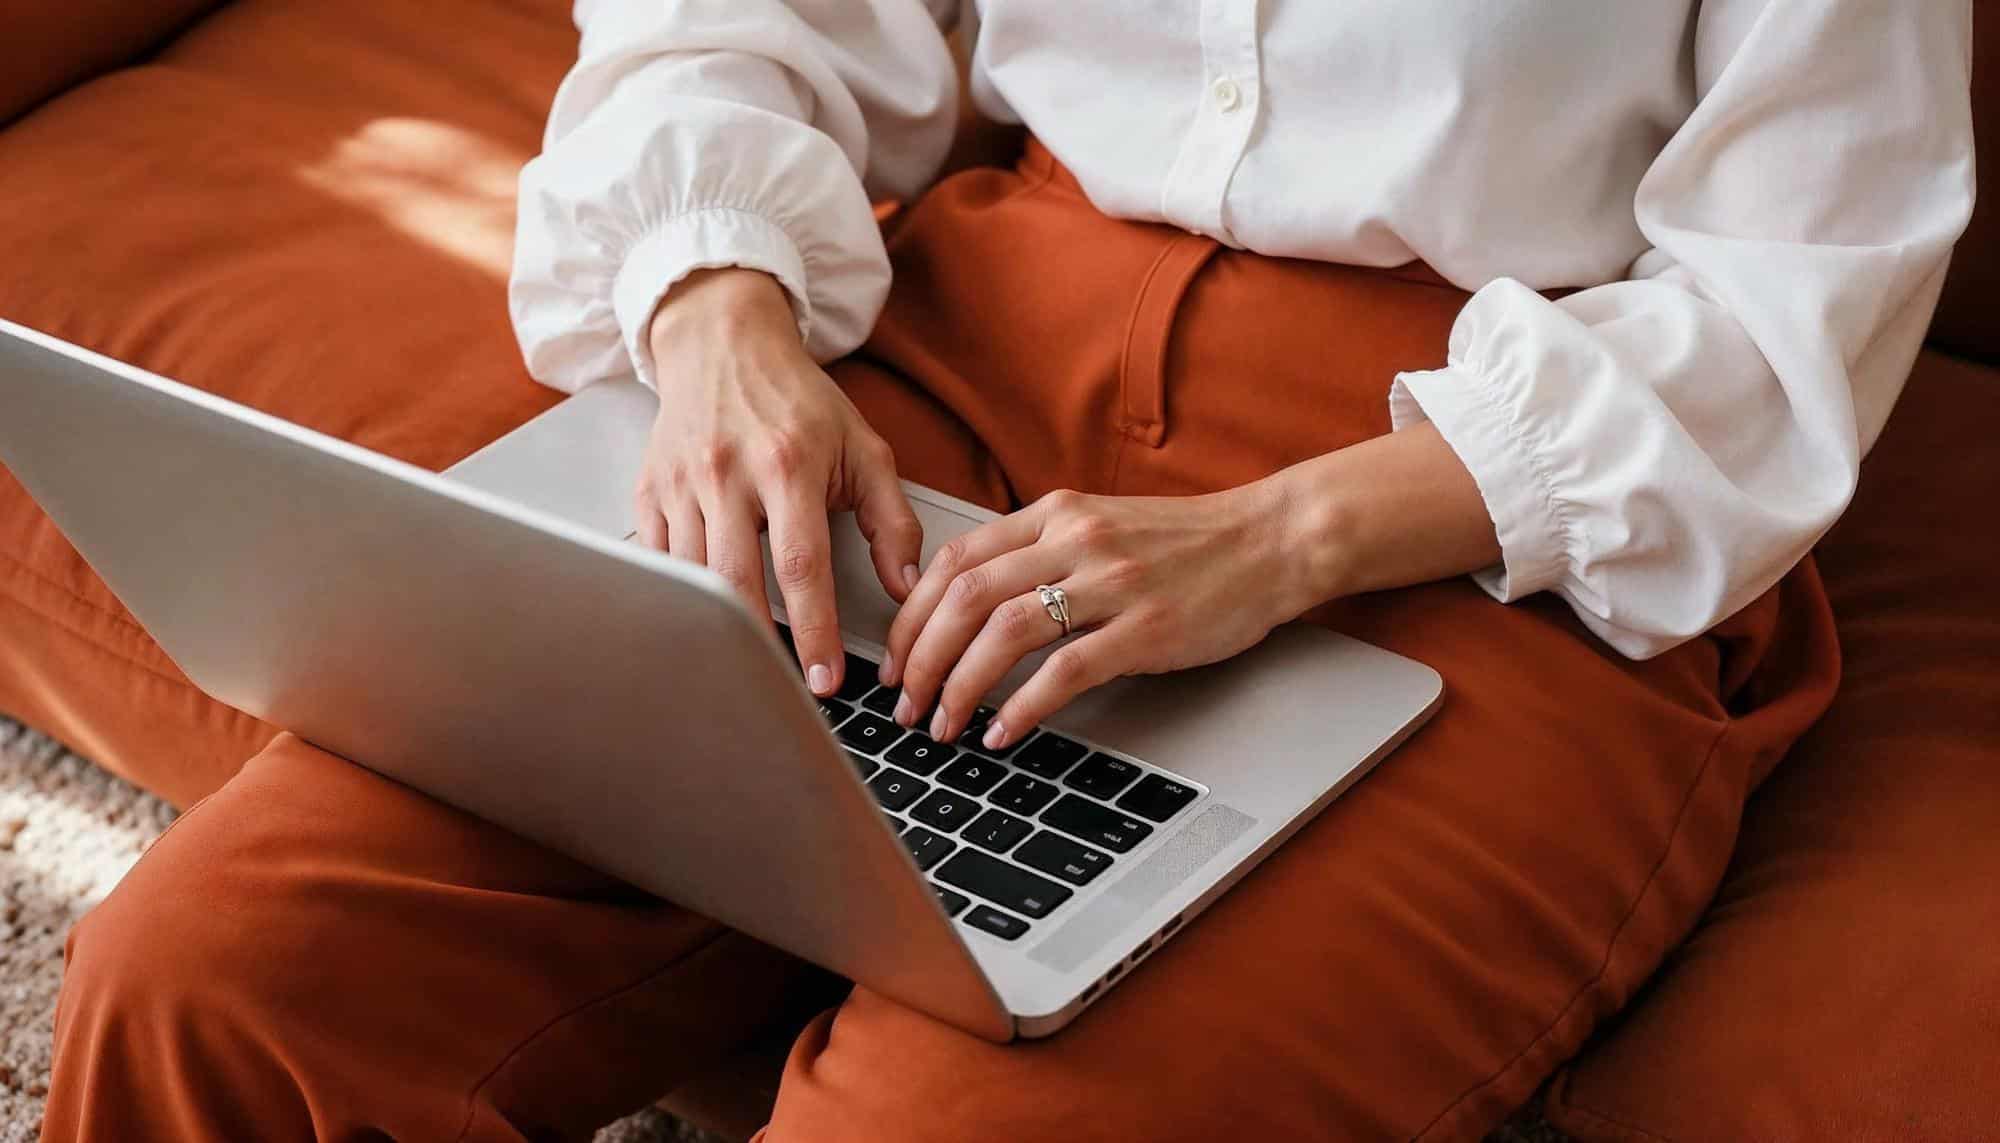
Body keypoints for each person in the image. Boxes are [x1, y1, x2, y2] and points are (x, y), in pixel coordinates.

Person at [45, 2, 1975, 1141]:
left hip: (1502, 513)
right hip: (964, 349)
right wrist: (722, 319)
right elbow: (751, 20)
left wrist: (1283, 535)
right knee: (206, 981)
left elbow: (1784, 289)